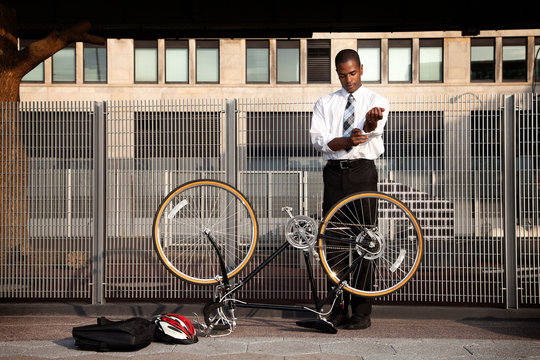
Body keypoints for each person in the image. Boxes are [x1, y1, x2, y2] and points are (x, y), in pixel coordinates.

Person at [310, 49, 389, 330]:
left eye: (352, 73)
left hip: (362, 174)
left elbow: (372, 127)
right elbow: (320, 142)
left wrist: (368, 124)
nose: (348, 79)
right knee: (333, 244)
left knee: (365, 243)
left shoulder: (376, 102)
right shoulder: (325, 102)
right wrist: (348, 141)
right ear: (337, 73)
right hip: (334, 175)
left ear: (361, 69)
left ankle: (362, 313)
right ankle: (337, 309)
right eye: (342, 74)